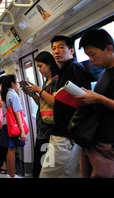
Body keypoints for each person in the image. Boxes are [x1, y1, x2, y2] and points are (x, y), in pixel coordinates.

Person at [39, 35, 92, 178]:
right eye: (54, 48)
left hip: (65, 136)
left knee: (47, 175)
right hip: (61, 134)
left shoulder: (73, 69)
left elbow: (76, 102)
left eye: (61, 47)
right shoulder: (64, 70)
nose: (56, 51)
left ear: (72, 51)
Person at [75, 28, 114, 178]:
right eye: (88, 55)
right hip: (91, 141)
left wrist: (99, 98)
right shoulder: (103, 75)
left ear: (109, 49)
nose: (90, 59)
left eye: (92, 54)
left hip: (110, 146)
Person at [22, 51, 59, 178]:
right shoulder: (46, 82)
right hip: (42, 130)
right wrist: (32, 94)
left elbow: (54, 103)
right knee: (39, 166)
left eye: (41, 66)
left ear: (49, 65)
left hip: (49, 131)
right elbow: (43, 104)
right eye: (37, 67)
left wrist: (39, 90)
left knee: (44, 167)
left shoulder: (56, 81)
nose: (39, 69)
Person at [0, 75, 26, 178]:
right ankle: (12, 175)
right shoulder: (13, 95)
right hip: (12, 125)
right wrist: (22, 131)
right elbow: (17, 114)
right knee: (12, 150)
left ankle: (10, 173)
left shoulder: (6, 94)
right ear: (13, 84)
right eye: (17, 81)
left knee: (10, 149)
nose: (18, 83)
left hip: (6, 124)